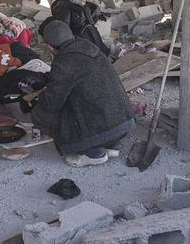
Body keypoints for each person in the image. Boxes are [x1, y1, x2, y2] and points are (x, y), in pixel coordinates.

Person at [23, 20, 135, 167]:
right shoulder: (88, 46)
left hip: (105, 126)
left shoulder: (64, 62)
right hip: (124, 121)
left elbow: (51, 104)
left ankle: (93, 152)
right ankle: (108, 144)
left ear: (49, 47)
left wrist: (38, 96)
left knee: (40, 113)